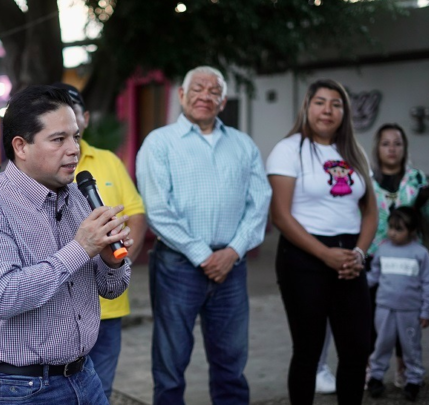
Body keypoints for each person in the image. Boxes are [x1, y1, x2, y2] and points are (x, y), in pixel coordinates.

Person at [0, 85, 133, 404]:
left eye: (76, 137)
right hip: (21, 388)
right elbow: (5, 297)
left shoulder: (79, 197)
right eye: (58, 139)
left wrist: (111, 261)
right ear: (21, 147)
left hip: (85, 377)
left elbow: (111, 288)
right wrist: (80, 248)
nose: (74, 149)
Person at [136, 66, 271, 405]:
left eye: (213, 91)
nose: (205, 96)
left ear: (223, 101)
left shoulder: (243, 145)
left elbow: (260, 202)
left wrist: (233, 251)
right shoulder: (159, 143)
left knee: (231, 363)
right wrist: (202, 254)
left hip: (232, 264)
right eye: (197, 88)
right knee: (170, 364)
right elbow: (157, 209)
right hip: (177, 265)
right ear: (181, 95)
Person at [266, 78, 378, 405]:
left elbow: (371, 213)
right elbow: (281, 216)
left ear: (345, 111)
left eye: (336, 104)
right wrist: (325, 255)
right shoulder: (288, 149)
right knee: (308, 351)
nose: (327, 110)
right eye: (320, 102)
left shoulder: (355, 153)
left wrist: (358, 253)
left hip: (349, 259)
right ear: (307, 107)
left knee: (357, 349)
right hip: (303, 258)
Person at [52, 82, 148, 400]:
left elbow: (134, 211)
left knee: (100, 392)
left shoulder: (108, 160)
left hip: (109, 306)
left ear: (86, 118)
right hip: (61, 309)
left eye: (73, 113)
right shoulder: (43, 168)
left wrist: (118, 260)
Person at [368, 123, 429, 388]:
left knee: (405, 317)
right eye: (386, 143)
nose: (392, 148)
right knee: (374, 317)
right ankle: (373, 368)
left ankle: (404, 366)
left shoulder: (416, 178)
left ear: (405, 147)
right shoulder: (367, 178)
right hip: (374, 256)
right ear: (377, 148)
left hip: (407, 260)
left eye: (397, 143)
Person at [365, 207, 429, 402]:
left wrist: (426, 310)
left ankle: (413, 380)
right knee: (382, 344)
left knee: (410, 347)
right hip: (384, 309)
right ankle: (376, 378)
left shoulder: (420, 253)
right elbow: (373, 277)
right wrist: (357, 283)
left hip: (410, 311)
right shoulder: (382, 249)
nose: (393, 233)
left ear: (412, 231)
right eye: (391, 228)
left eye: (399, 229)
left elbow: (428, 283)